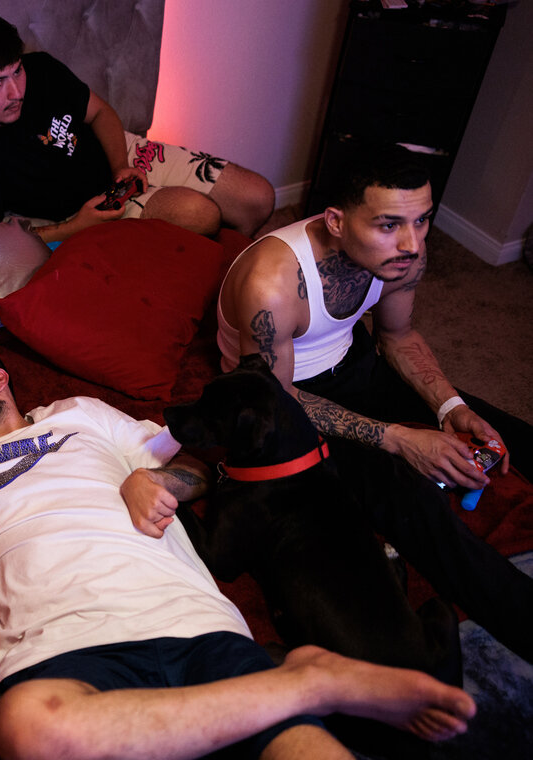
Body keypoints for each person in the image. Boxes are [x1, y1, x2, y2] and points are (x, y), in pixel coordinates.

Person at [0, 346, 475, 759]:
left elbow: (201, 471)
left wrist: (150, 477)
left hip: (186, 615)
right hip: (63, 650)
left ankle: (306, 688)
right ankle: (310, 681)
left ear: (0, 382)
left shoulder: (81, 416)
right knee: (25, 728)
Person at [216, 142, 533, 662]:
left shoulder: (403, 252)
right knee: (414, 505)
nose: (411, 243)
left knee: (507, 433)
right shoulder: (272, 283)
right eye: (388, 225)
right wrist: (400, 438)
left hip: (353, 364)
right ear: (337, 221)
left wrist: (450, 406)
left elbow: (399, 336)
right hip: (281, 397)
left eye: (423, 221)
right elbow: (277, 399)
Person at [0, 15, 275, 242]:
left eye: (17, 71)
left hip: (121, 153)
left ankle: (233, 269)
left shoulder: (42, 70)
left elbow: (101, 113)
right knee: (200, 215)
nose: (16, 91)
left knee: (257, 197)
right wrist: (75, 227)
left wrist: (121, 165)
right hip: (85, 209)